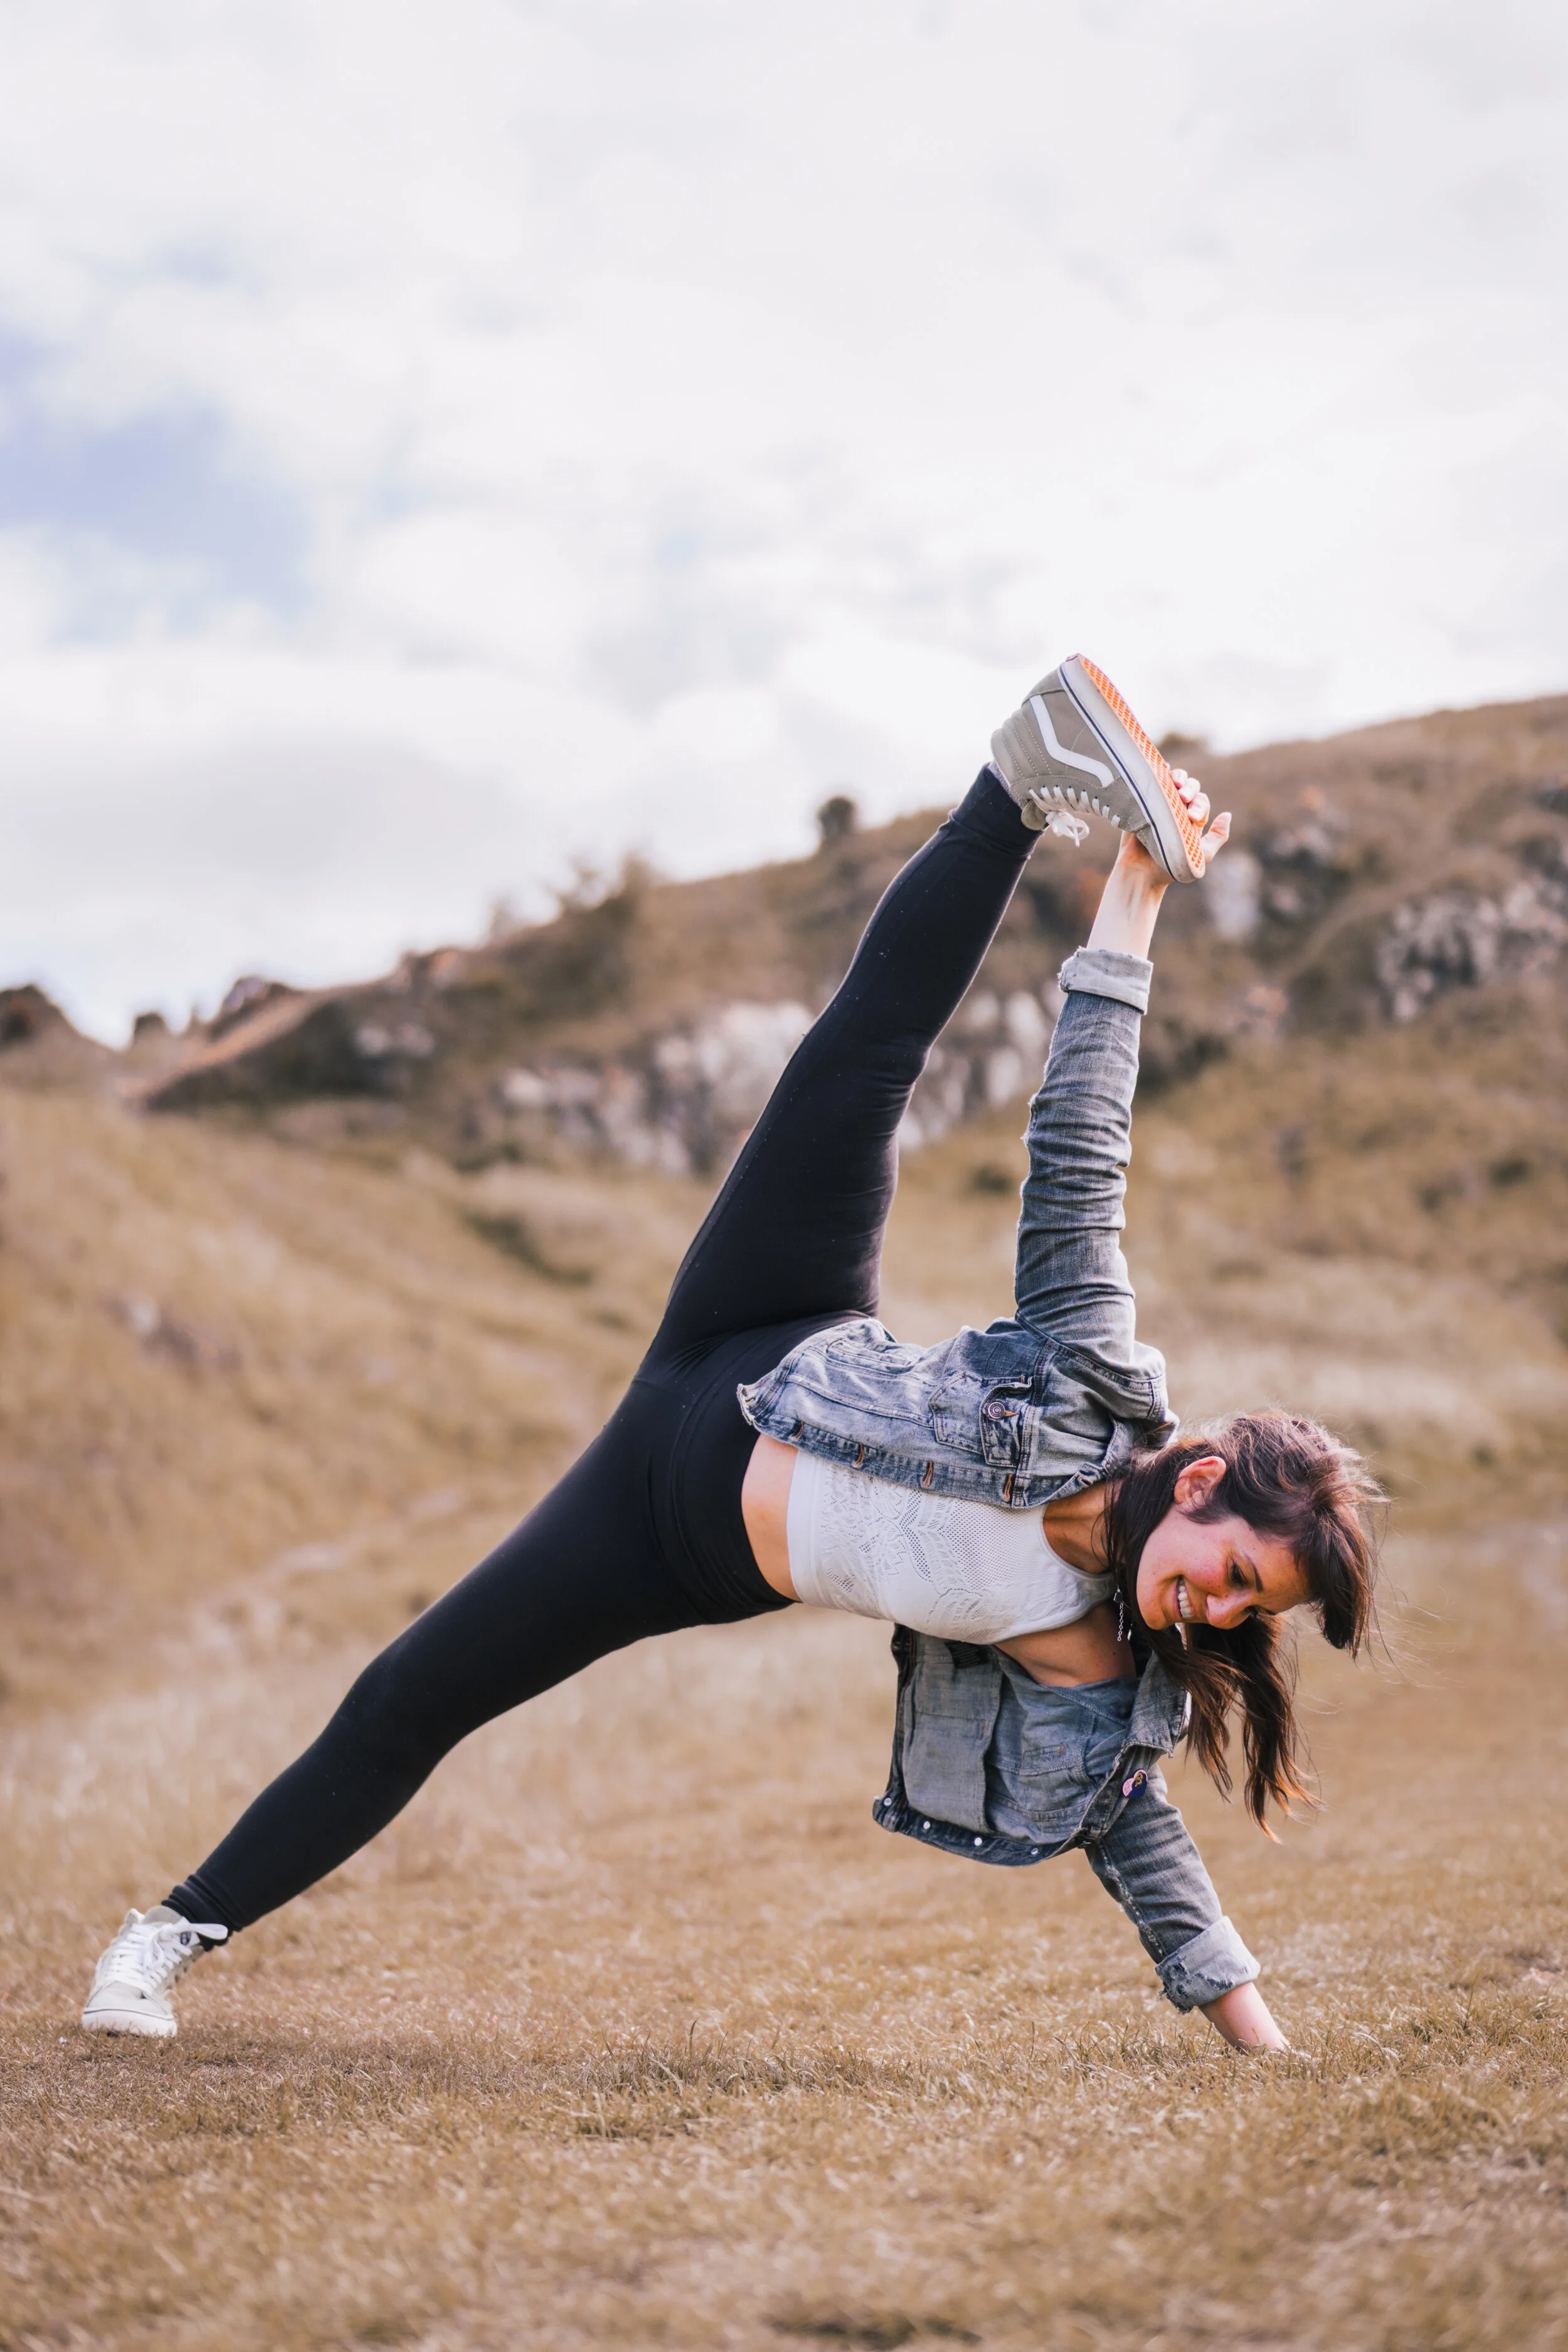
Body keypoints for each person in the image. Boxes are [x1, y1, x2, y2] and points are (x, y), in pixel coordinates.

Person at [81, 655, 1381, 2052]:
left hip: (672, 1538)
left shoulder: (1087, 1655)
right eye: (1238, 1576)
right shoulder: (1088, 1379)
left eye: (1248, 1616)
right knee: (861, 1064)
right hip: (768, 1329)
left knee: (423, 1692)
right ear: (1197, 1485)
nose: (1219, 1614)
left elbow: (1133, 1835)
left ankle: (165, 1934)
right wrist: (1131, 896)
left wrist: (1256, 2037)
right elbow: (1080, 1146)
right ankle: (1018, 779)